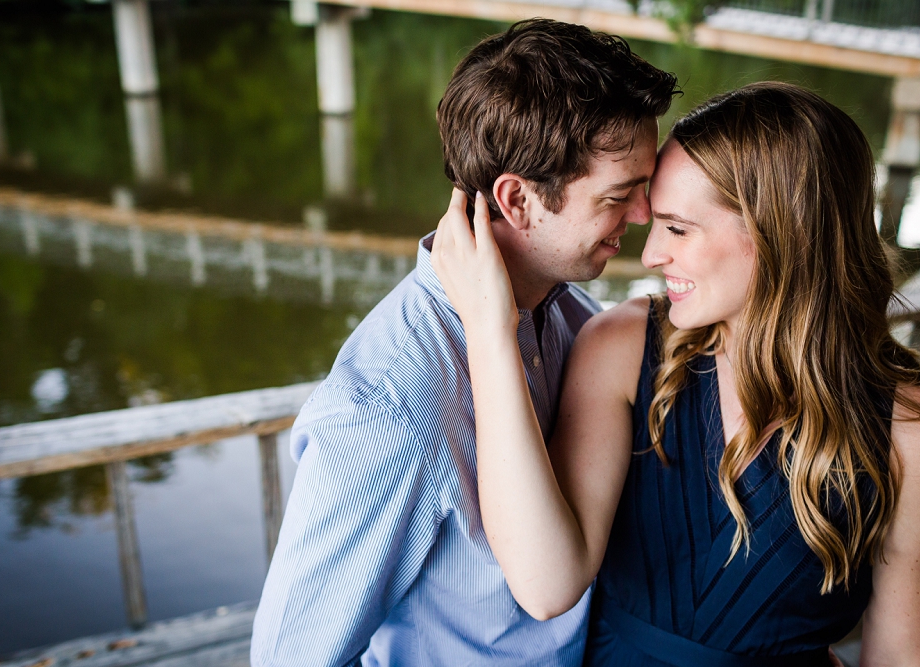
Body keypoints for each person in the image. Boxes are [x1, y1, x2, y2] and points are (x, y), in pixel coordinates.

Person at [432, 81, 920, 666]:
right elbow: (546, 583)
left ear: (779, 235)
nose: (651, 253)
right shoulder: (622, 348)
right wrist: (489, 329)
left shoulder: (914, 436)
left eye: (677, 228)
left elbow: (904, 658)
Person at [250, 19, 678, 666]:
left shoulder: (572, 315)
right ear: (519, 199)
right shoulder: (387, 408)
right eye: (620, 194)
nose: (644, 215)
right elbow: (290, 656)